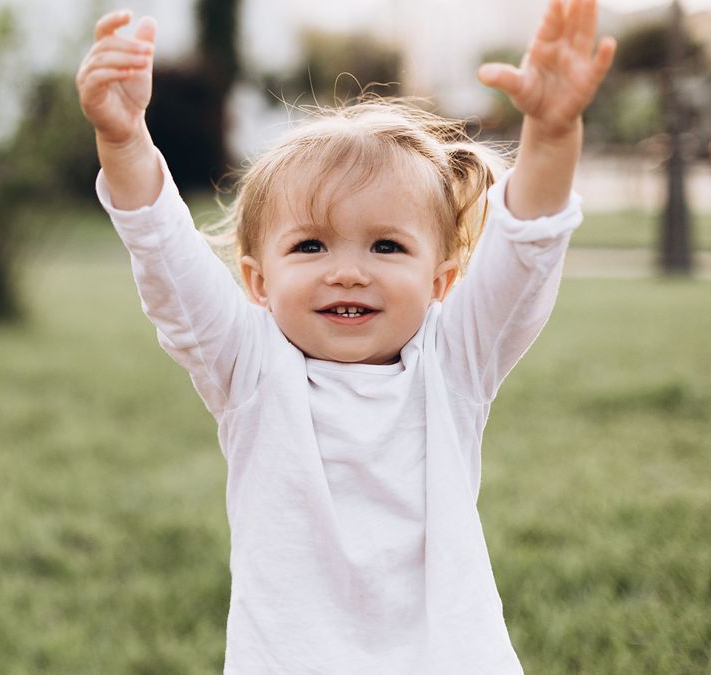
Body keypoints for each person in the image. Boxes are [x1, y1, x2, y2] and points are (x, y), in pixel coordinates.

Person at [76, 0, 615, 672]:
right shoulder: (247, 363)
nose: (349, 273)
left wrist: (552, 135)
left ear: (441, 278)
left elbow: (525, 250)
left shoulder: (454, 363)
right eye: (310, 245)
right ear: (258, 279)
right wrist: (126, 143)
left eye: (387, 245)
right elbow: (165, 255)